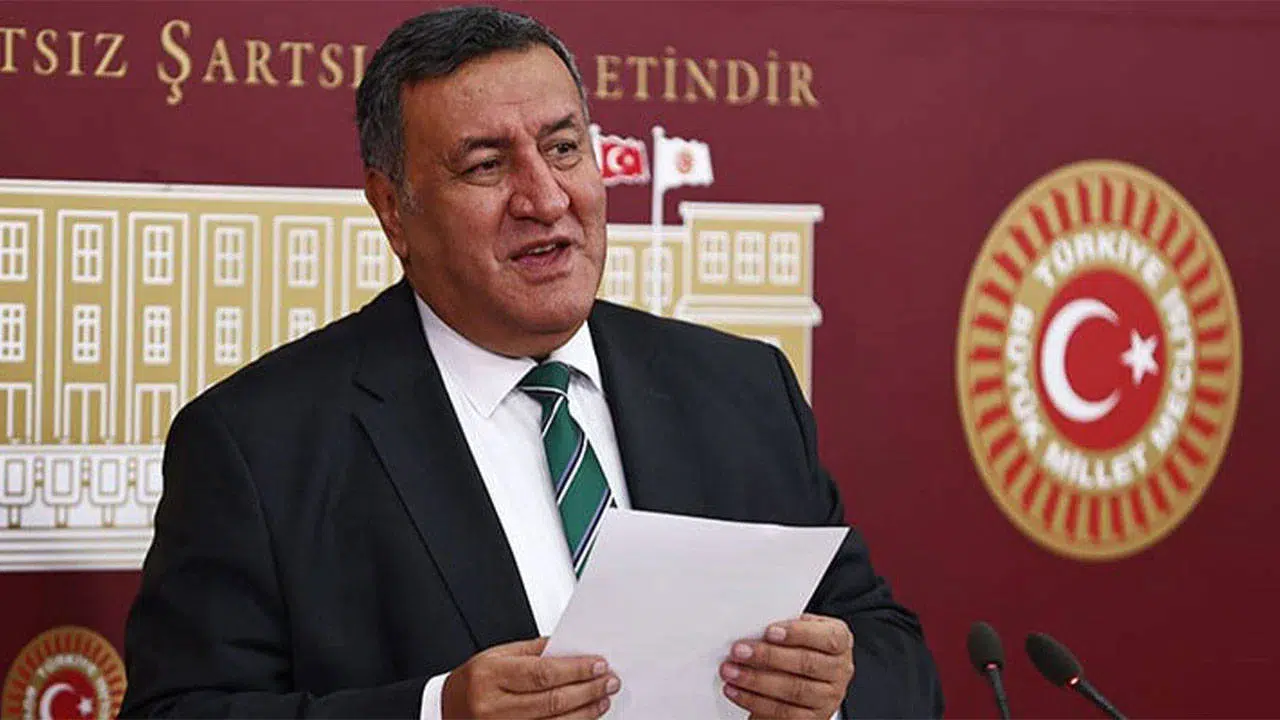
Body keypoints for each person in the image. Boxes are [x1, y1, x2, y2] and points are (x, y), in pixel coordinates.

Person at [121, 6, 943, 719]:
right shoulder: (258, 442)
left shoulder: (743, 390)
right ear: (392, 209)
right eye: (486, 165)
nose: (546, 198)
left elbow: (893, 656)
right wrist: (435, 710)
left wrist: (831, 691)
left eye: (564, 148)